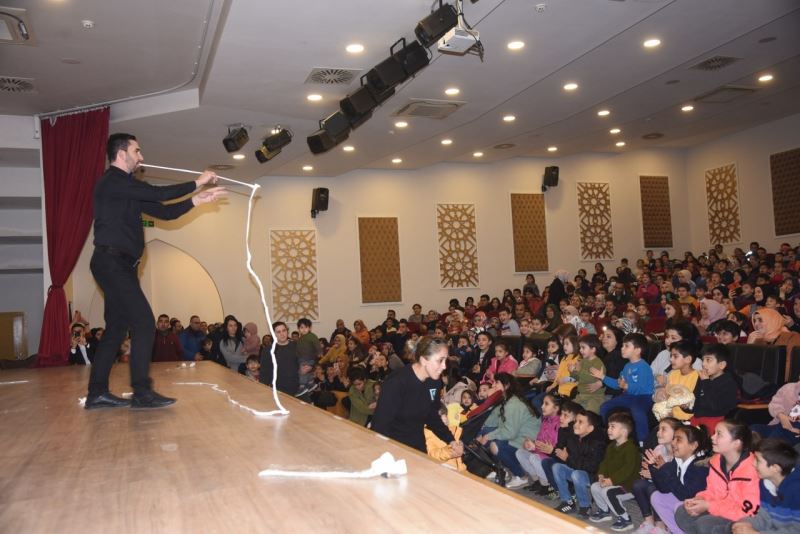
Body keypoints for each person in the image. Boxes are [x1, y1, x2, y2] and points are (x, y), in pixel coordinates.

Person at [85, 133, 224, 410]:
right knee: (144, 323)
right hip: (112, 263)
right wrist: (197, 182)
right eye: (137, 151)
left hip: (119, 266)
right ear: (121, 154)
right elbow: (159, 193)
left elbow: (166, 212)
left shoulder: (127, 189)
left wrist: (197, 200)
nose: (142, 156)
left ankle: (97, 393)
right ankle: (141, 392)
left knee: (116, 330)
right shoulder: (113, 182)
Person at [371, 336, 462, 454]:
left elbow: (432, 416)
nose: (444, 366)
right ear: (423, 360)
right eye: (440, 360)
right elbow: (379, 426)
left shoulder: (434, 381)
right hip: (393, 447)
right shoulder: (397, 382)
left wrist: (451, 440)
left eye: (446, 361)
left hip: (417, 446)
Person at [675, 419, 760, 534]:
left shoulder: (753, 470)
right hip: (719, 508)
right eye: (714, 433)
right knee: (682, 513)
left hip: (742, 519)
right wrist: (700, 499)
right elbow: (712, 491)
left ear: (736, 443)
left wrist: (709, 506)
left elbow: (748, 512)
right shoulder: (716, 461)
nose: (712, 437)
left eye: (719, 434)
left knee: (705, 524)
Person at [732, 438, 800, 533]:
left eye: (758, 460)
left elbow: (797, 529)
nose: (753, 464)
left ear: (775, 468)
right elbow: (765, 516)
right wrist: (747, 523)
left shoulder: (796, 490)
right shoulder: (765, 484)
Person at [549, 409, 608, 517]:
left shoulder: (597, 443)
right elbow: (569, 457)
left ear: (590, 428)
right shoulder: (574, 437)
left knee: (576, 474)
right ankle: (567, 502)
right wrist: (562, 455)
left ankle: (585, 506)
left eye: (580, 422)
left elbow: (591, 467)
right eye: (576, 421)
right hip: (577, 469)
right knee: (557, 467)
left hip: (593, 476)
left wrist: (567, 458)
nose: (575, 424)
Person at [589, 412, 641, 531]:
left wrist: (611, 481)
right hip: (613, 482)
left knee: (608, 492)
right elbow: (605, 463)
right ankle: (604, 511)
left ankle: (625, 519)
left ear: (624, 431)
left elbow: (627, 470)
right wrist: (601, 475)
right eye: (608, 426)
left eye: (613, 426)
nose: (608, 430)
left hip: (628, 486)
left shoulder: (631, 449)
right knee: (595, 487)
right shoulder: (611, 446)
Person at [260, 321, 299, 396]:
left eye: (284, 330)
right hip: (277, 389)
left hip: (296, 388)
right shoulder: (268, 350)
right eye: (278, 332)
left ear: (287, 331)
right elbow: (264, 372)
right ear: (273, 334)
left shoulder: (296, 346)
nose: (282, 334)